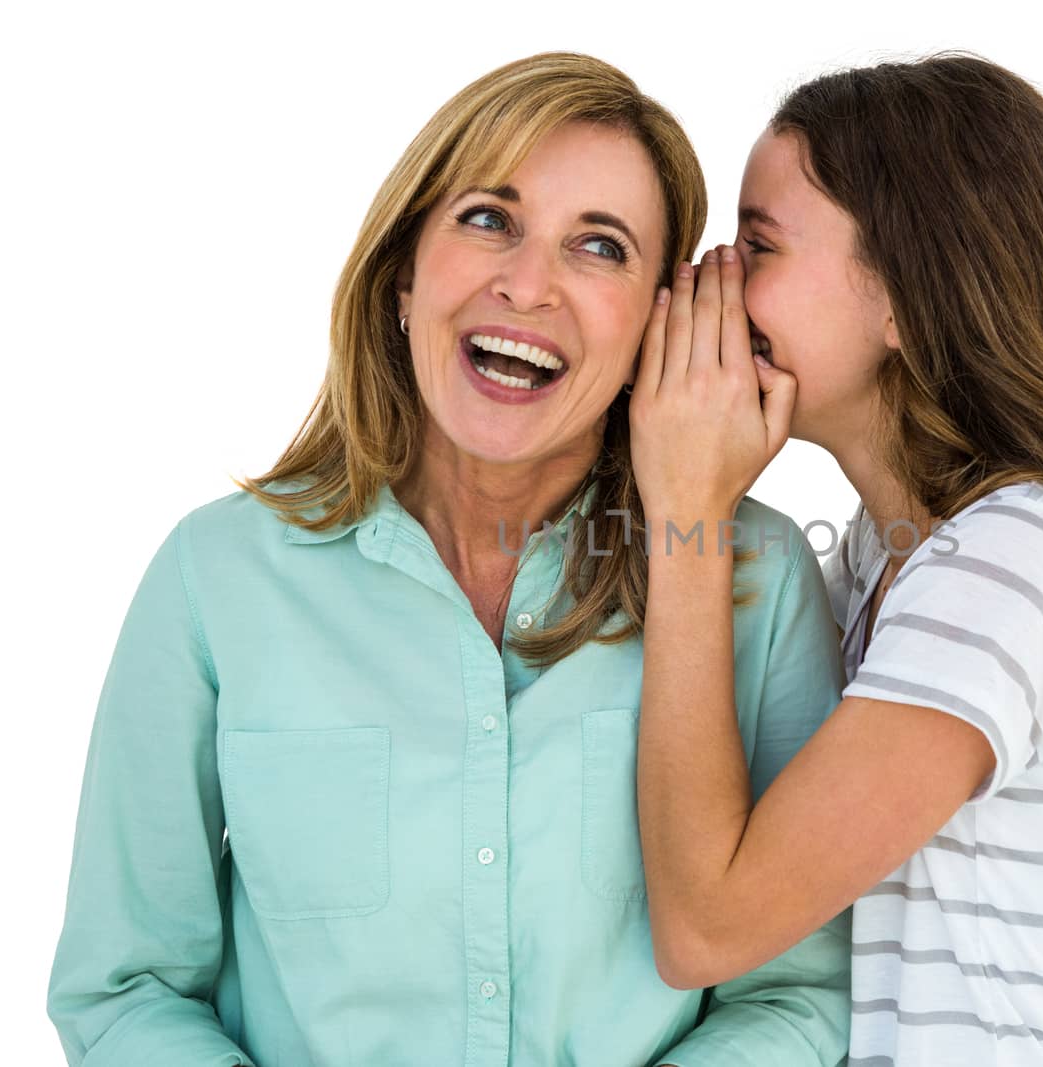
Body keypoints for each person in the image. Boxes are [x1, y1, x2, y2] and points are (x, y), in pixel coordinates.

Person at [45, 52, 851, 1067]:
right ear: (401, 276)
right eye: (486, 218)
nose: (528, 284)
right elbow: (126, 987)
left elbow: (797, 993)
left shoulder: (754, 576)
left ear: (662, 319)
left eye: (598, 247)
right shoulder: (215, 576)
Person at [628, 53, 1043, 1066]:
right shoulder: (888, 566)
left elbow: (709, 925)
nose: (710, 277)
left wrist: (687, 512)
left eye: (759, 243)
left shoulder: (1010, 566)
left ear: (901, 300)